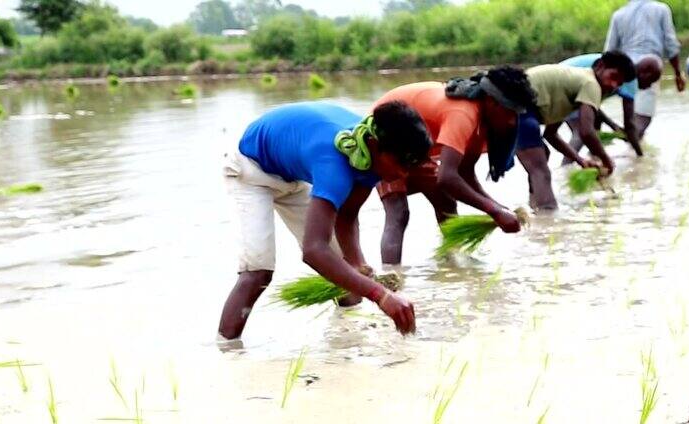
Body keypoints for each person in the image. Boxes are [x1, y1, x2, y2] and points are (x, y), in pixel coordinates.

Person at [218, 101, 432, 340]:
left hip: (294, 175)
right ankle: (227, 349)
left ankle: (347, 345)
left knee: (346, 276)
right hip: (251, 171)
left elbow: (347, 215)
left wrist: (358, 264)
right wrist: (381, 295)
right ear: (375, 145)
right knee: (258, 273)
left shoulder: (370, 157)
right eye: (401, 163)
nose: (403, 174)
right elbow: (313, 251)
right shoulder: (334, 165)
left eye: (410, 166)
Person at [373, 67, 538, 265]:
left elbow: (465, 173)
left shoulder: (480, 121)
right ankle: (391, 280)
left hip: (416, 148)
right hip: (384, 135)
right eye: (510, 113)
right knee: (398, 212)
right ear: (492, 102)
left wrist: (498, 208)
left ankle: (452, 262)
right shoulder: (463, 113)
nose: (513, 122)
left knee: (446, 203)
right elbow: (447, 178)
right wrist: (494, 211)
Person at [517, 51, 636, 210]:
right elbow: (586, 132)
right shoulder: (591, 83)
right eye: (613, 77)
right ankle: (550, 219)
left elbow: (551, 135)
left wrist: (581, 160)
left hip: (517, 105)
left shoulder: (575, 86)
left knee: (541, 158)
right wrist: (607, 161)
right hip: (517, 104)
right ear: (600, 66)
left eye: (619, 84)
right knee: (541, 170)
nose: (614, 85)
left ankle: (536, 213)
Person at [605, 0, 686, 138]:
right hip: (649, 71)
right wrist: (678, 73)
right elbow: (671, 44)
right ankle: (629, 150)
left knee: (630, 119)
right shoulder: (661, 9)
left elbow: (609, 50)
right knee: (642, 119)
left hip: (625, 72)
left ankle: (627, 151)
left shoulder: (619, 15)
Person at [560, 53, 663, 160]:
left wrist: (613, 126)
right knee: (581, 132)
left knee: (594, 126)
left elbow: (593, 105)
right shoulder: (630, 79)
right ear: (645, 72)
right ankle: (565, 169)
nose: (649, 86)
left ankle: (594, 160)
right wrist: (640, 156)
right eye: (651, 80)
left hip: (563, 80)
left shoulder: (621, 70)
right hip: (563, 85)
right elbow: (630, 126)